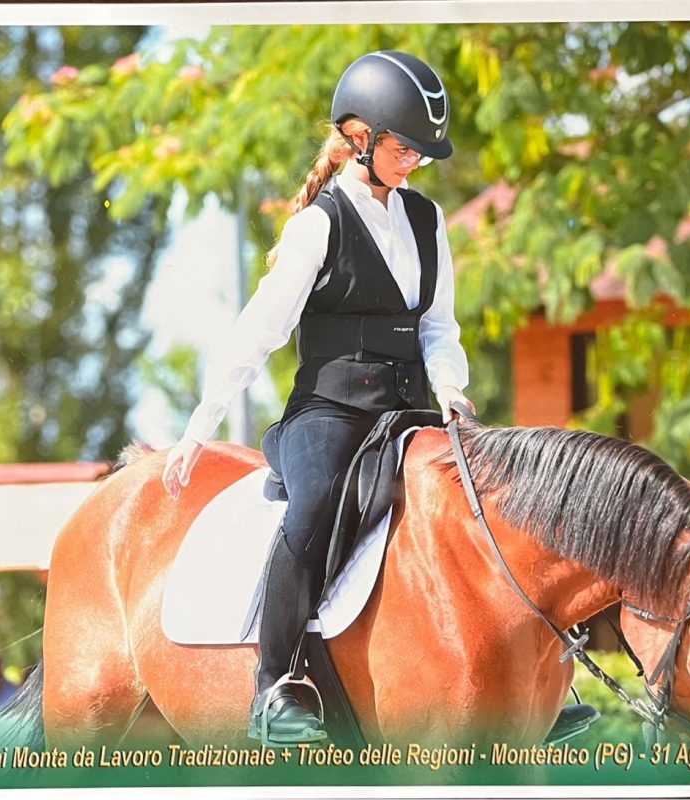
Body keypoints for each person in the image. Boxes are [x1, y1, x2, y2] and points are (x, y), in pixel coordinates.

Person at [161, 50, 474, 745]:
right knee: (315, 505)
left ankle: (529, 678)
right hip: (329, 413)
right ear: (360, 136)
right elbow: (259, 332)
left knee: (486, 495)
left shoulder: (427, 220)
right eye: (402, 148)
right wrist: (199, 427)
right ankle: (274, 685)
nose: (413, 162)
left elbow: (438, 326)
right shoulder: (319, 225)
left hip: (408, 411)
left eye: (420, 152)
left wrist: (451, 389)